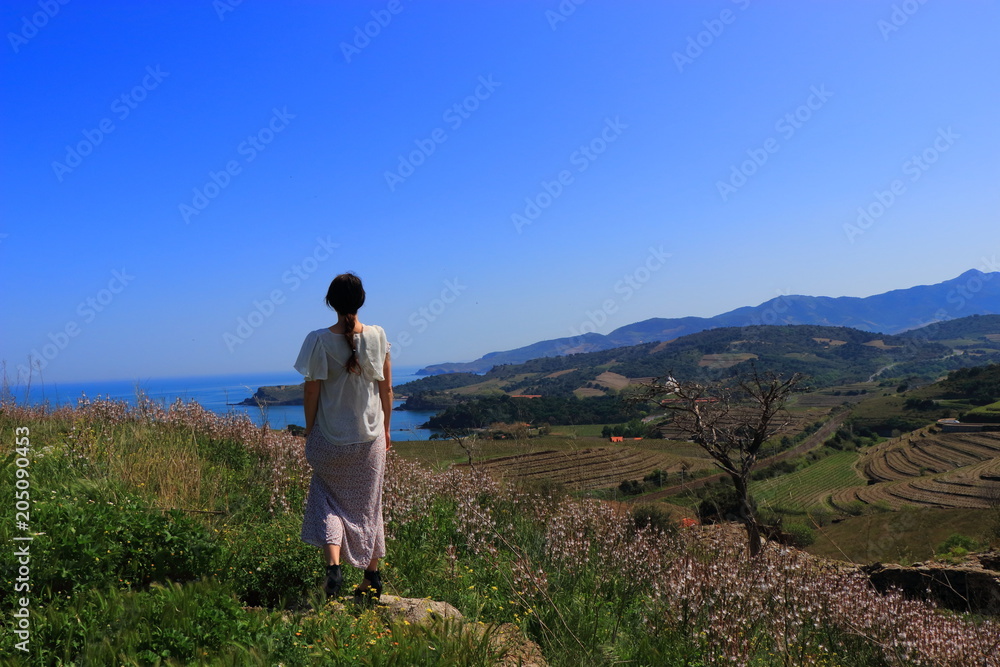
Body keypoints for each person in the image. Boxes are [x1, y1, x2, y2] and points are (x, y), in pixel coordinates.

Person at [294, 272, 392, 600]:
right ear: (361, 300)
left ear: (330, 302)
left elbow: (311, 392)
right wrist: (387, 430)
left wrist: (310, 430)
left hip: (329, 440)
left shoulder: (318, 340)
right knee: (369, 506)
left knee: (325, 498)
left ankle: (333, 568)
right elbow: (386, 390)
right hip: (370, 439)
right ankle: (372, 575)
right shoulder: (378, 337)